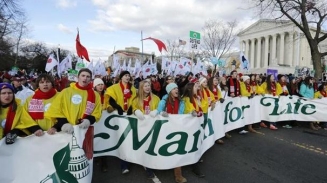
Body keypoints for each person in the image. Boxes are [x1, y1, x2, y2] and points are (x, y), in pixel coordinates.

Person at [45, 68, 102, 134]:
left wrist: (88, 120)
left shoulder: (95, 95)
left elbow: (97, 112)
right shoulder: (66, 92)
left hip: (85, 130)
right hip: (67, 131)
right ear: (78, 77)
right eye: (83, 76)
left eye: (88, 76)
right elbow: (56, 110)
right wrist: (63, 124)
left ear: (90, 79)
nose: (85, 78)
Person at [105, 70, 136, 174]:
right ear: (121, 77)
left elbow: (136, 99)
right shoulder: (114, 87)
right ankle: (124, 165)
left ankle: (130, 159)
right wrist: (117, 106)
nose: (127, 77)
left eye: (129, 75)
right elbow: (110, 99)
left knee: (130, 139)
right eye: (125, 75)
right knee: (122, 139)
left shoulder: (132, 88)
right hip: (119, 116)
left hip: (130, 115)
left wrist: (132, 107)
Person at [157, 83, 187, 183]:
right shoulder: (163, 101)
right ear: (170, 91)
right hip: (165, 129)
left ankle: (178, 175)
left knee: (177, 151)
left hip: (176, 128)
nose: (176, 90)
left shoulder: (181, 102)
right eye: (174, 88)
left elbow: (182, 114)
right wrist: (161, 113)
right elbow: (157, 112)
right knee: (165, 149)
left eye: (177, 88)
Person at [131, 80, 160, 179]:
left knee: (152, 145)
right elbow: (132, 108)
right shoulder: (136, 99)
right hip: (141, 126)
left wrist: (157, 111)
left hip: (153, 126)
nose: (148, 87)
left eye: (149, 85)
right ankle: (148, 167)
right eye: (145, 86)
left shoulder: (156, 98)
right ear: (141, 88)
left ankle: (152, 163)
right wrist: (136, 111)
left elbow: (160, 108)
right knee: (145, 146)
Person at [93, 77, 109, 172]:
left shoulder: (106, 95)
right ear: (95, 86)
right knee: (95, 140)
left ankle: (104, 162)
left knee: (104, 141)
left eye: (101, 84)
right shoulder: (91, 95)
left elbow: (109, 104)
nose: (100, 86)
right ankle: (96, 157)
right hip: (95, 122)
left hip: (104, 122)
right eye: (98, 85)